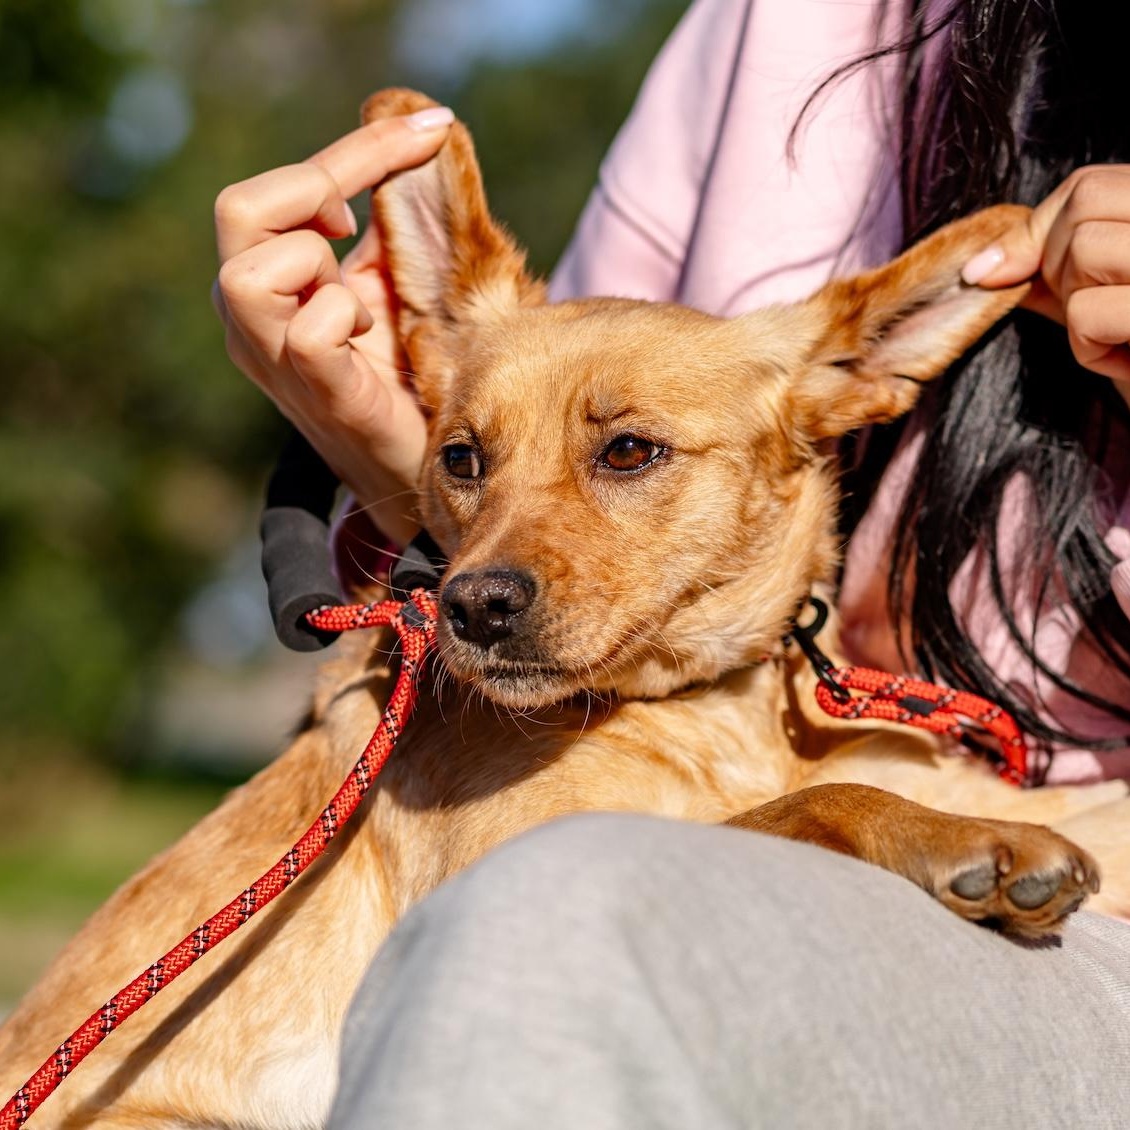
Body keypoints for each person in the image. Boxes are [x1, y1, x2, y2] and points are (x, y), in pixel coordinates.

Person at [212, 0, 1130, 1124]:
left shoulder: (831, 724)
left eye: (630, 452)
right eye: (467, 461)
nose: (482, 576)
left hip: (998, 862)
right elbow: (547, 387)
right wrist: (387, 436)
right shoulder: (778, 24)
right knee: (563, 916)